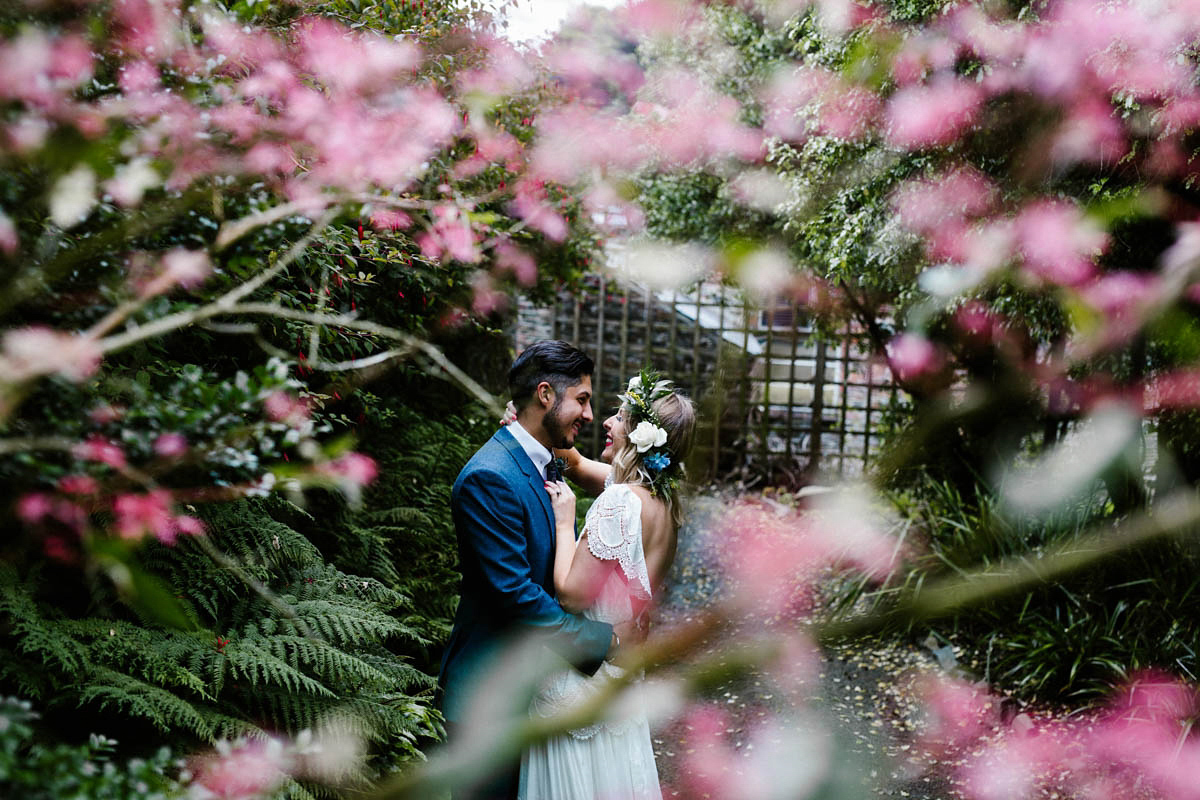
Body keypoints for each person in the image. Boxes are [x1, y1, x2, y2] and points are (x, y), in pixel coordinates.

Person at [438, 340, 627, 800]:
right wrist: (600, 642)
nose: (588, 413)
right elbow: (516, 595)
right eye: (581, 399)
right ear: (545, 395)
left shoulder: (541, 461)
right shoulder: (490, 477)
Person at [518, 370, 697, 800]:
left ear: (639, 436)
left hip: (582, 684)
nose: (607, 422)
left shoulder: (619, 502)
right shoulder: (663, 500)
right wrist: (532, 424)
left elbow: (571, 595)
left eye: (619, 417)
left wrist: (565, 524)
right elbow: (578, 464)